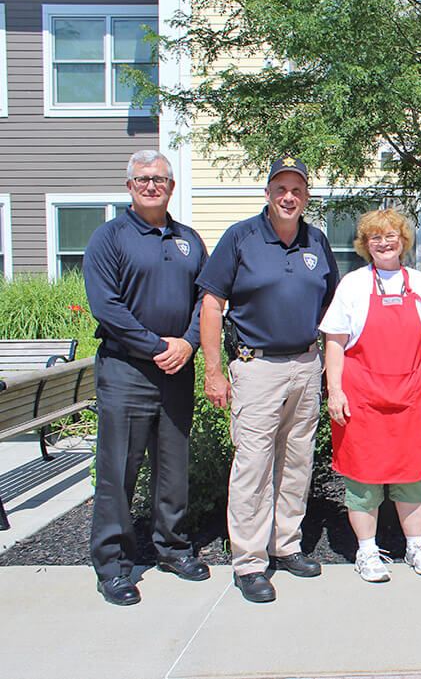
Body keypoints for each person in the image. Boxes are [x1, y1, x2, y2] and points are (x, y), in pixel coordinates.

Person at [197, 156, 339, 603]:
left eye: (297, 189)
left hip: (305, 364)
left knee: (296, 461)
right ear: (268, 193)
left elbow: (331, 306)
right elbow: (211, 305)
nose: (289, 197)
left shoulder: (316, 240)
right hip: (256, 368)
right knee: (254, 465)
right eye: (281, 188)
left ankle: (286, 544)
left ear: (306, 196)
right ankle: (250, 562)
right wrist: (215, 370)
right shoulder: (241, 238)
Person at [84, 150, 209, 606]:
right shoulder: (109, 237)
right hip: (126, 371)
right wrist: (160, 346)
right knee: (119, 472)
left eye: (159, 179)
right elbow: (107, 308)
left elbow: (206, 300)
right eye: (142, 179)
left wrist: (189, 343)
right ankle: (113, 566)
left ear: (171, 186)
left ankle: (172, 549)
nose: (151, 185)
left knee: (173, 470)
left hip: (177, 371)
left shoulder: (189, 240)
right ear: (130, 186)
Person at [320, 208, 421, 582]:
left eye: (390, 235)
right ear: (365, 245)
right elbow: (334, 341)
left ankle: (416, 546)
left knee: (412, 475)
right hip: (360, 398)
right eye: (375, 237)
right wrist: (335, 391)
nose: (383, 242)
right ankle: (367, 551)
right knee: (363, 477)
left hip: (410, 397)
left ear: (403, 240)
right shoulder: (353, 285)